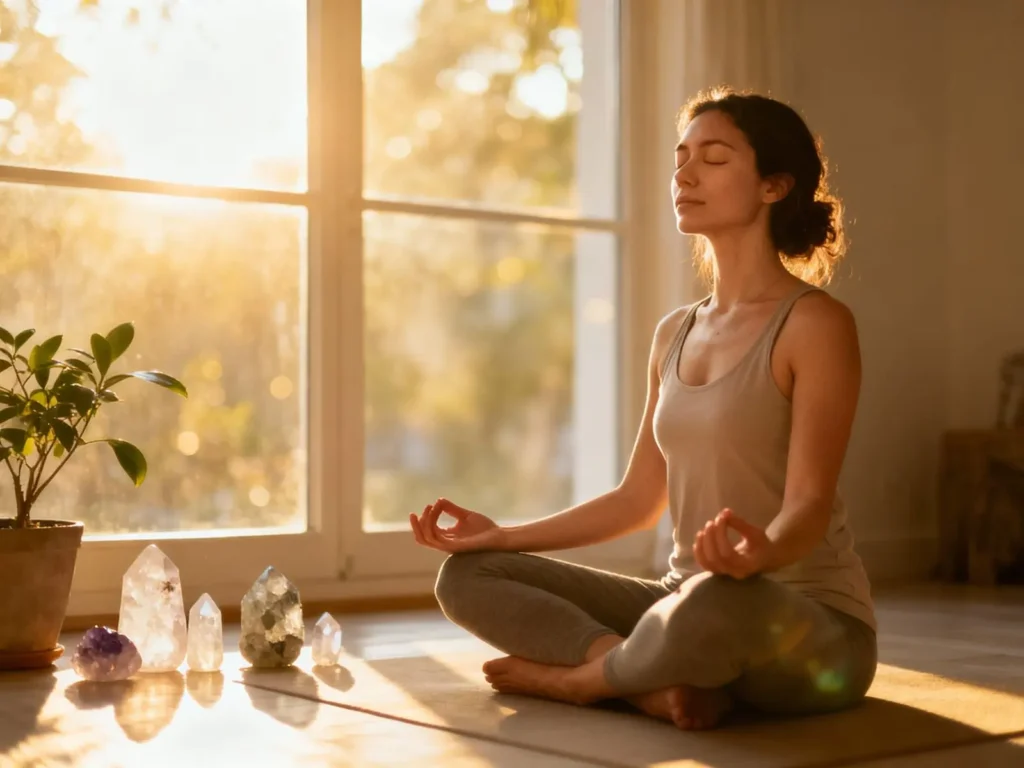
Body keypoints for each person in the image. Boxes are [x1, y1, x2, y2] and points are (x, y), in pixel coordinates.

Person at [409, 87, 877, 731]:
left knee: (715, 601)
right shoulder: (674, 332)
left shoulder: (816, 324)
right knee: (468, 576)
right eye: (681, 157)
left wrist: (756, 558)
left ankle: (579, 683)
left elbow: (808, 507)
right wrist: (503, 536)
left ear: (774, 185)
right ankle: (644, 686)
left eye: (713, 158)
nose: (684, 174)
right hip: (680, 604)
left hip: (805, 623)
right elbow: (637, 500)